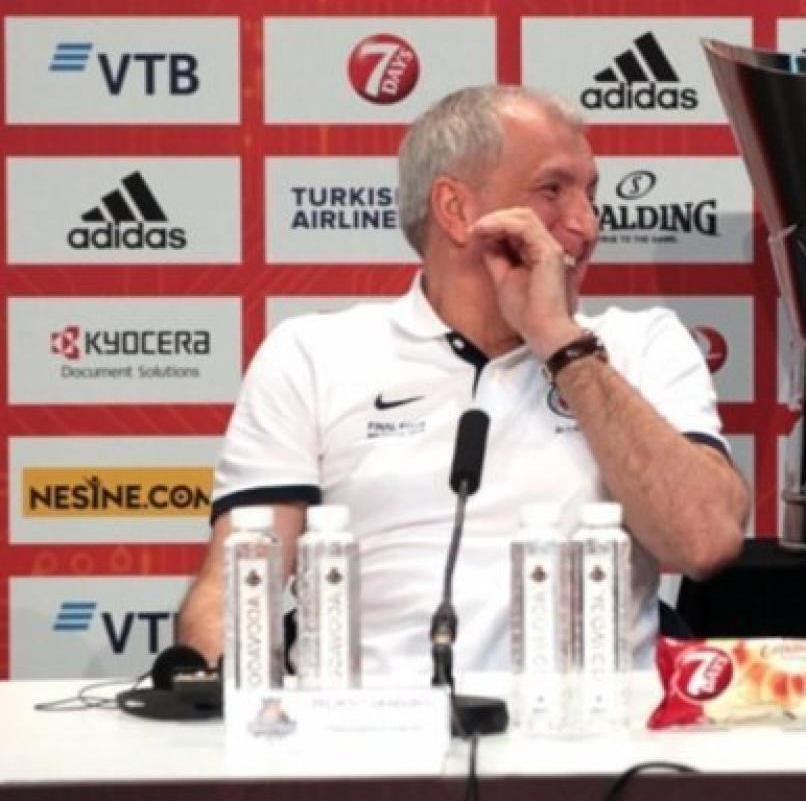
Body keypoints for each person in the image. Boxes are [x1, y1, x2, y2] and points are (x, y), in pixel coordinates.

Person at [176, 84, 750, 678]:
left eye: (592, 194)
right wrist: (219, 697)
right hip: (366, 722)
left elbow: (704, 542)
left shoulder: (642, 344)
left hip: (589, 723)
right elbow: (230, 593)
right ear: (457, 209)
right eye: (552, 191)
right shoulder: (312, 354)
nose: (586, 225)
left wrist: (561, 343)